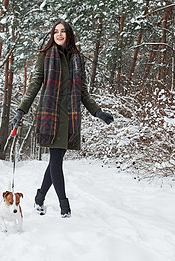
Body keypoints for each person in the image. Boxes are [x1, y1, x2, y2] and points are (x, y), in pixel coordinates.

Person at [11, 20, 113, 218]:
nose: (59, 34)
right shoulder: (44, 56)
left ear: (69, 34)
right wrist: (21, 111)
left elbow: (82, 91)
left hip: (70, 117)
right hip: (51, 115)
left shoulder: (77, 58)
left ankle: (40, 198)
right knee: (56, 161)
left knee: (55, 162)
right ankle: (64, 207)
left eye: (63, 31)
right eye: (56, 31)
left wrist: (97, 111)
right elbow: (34, 85)